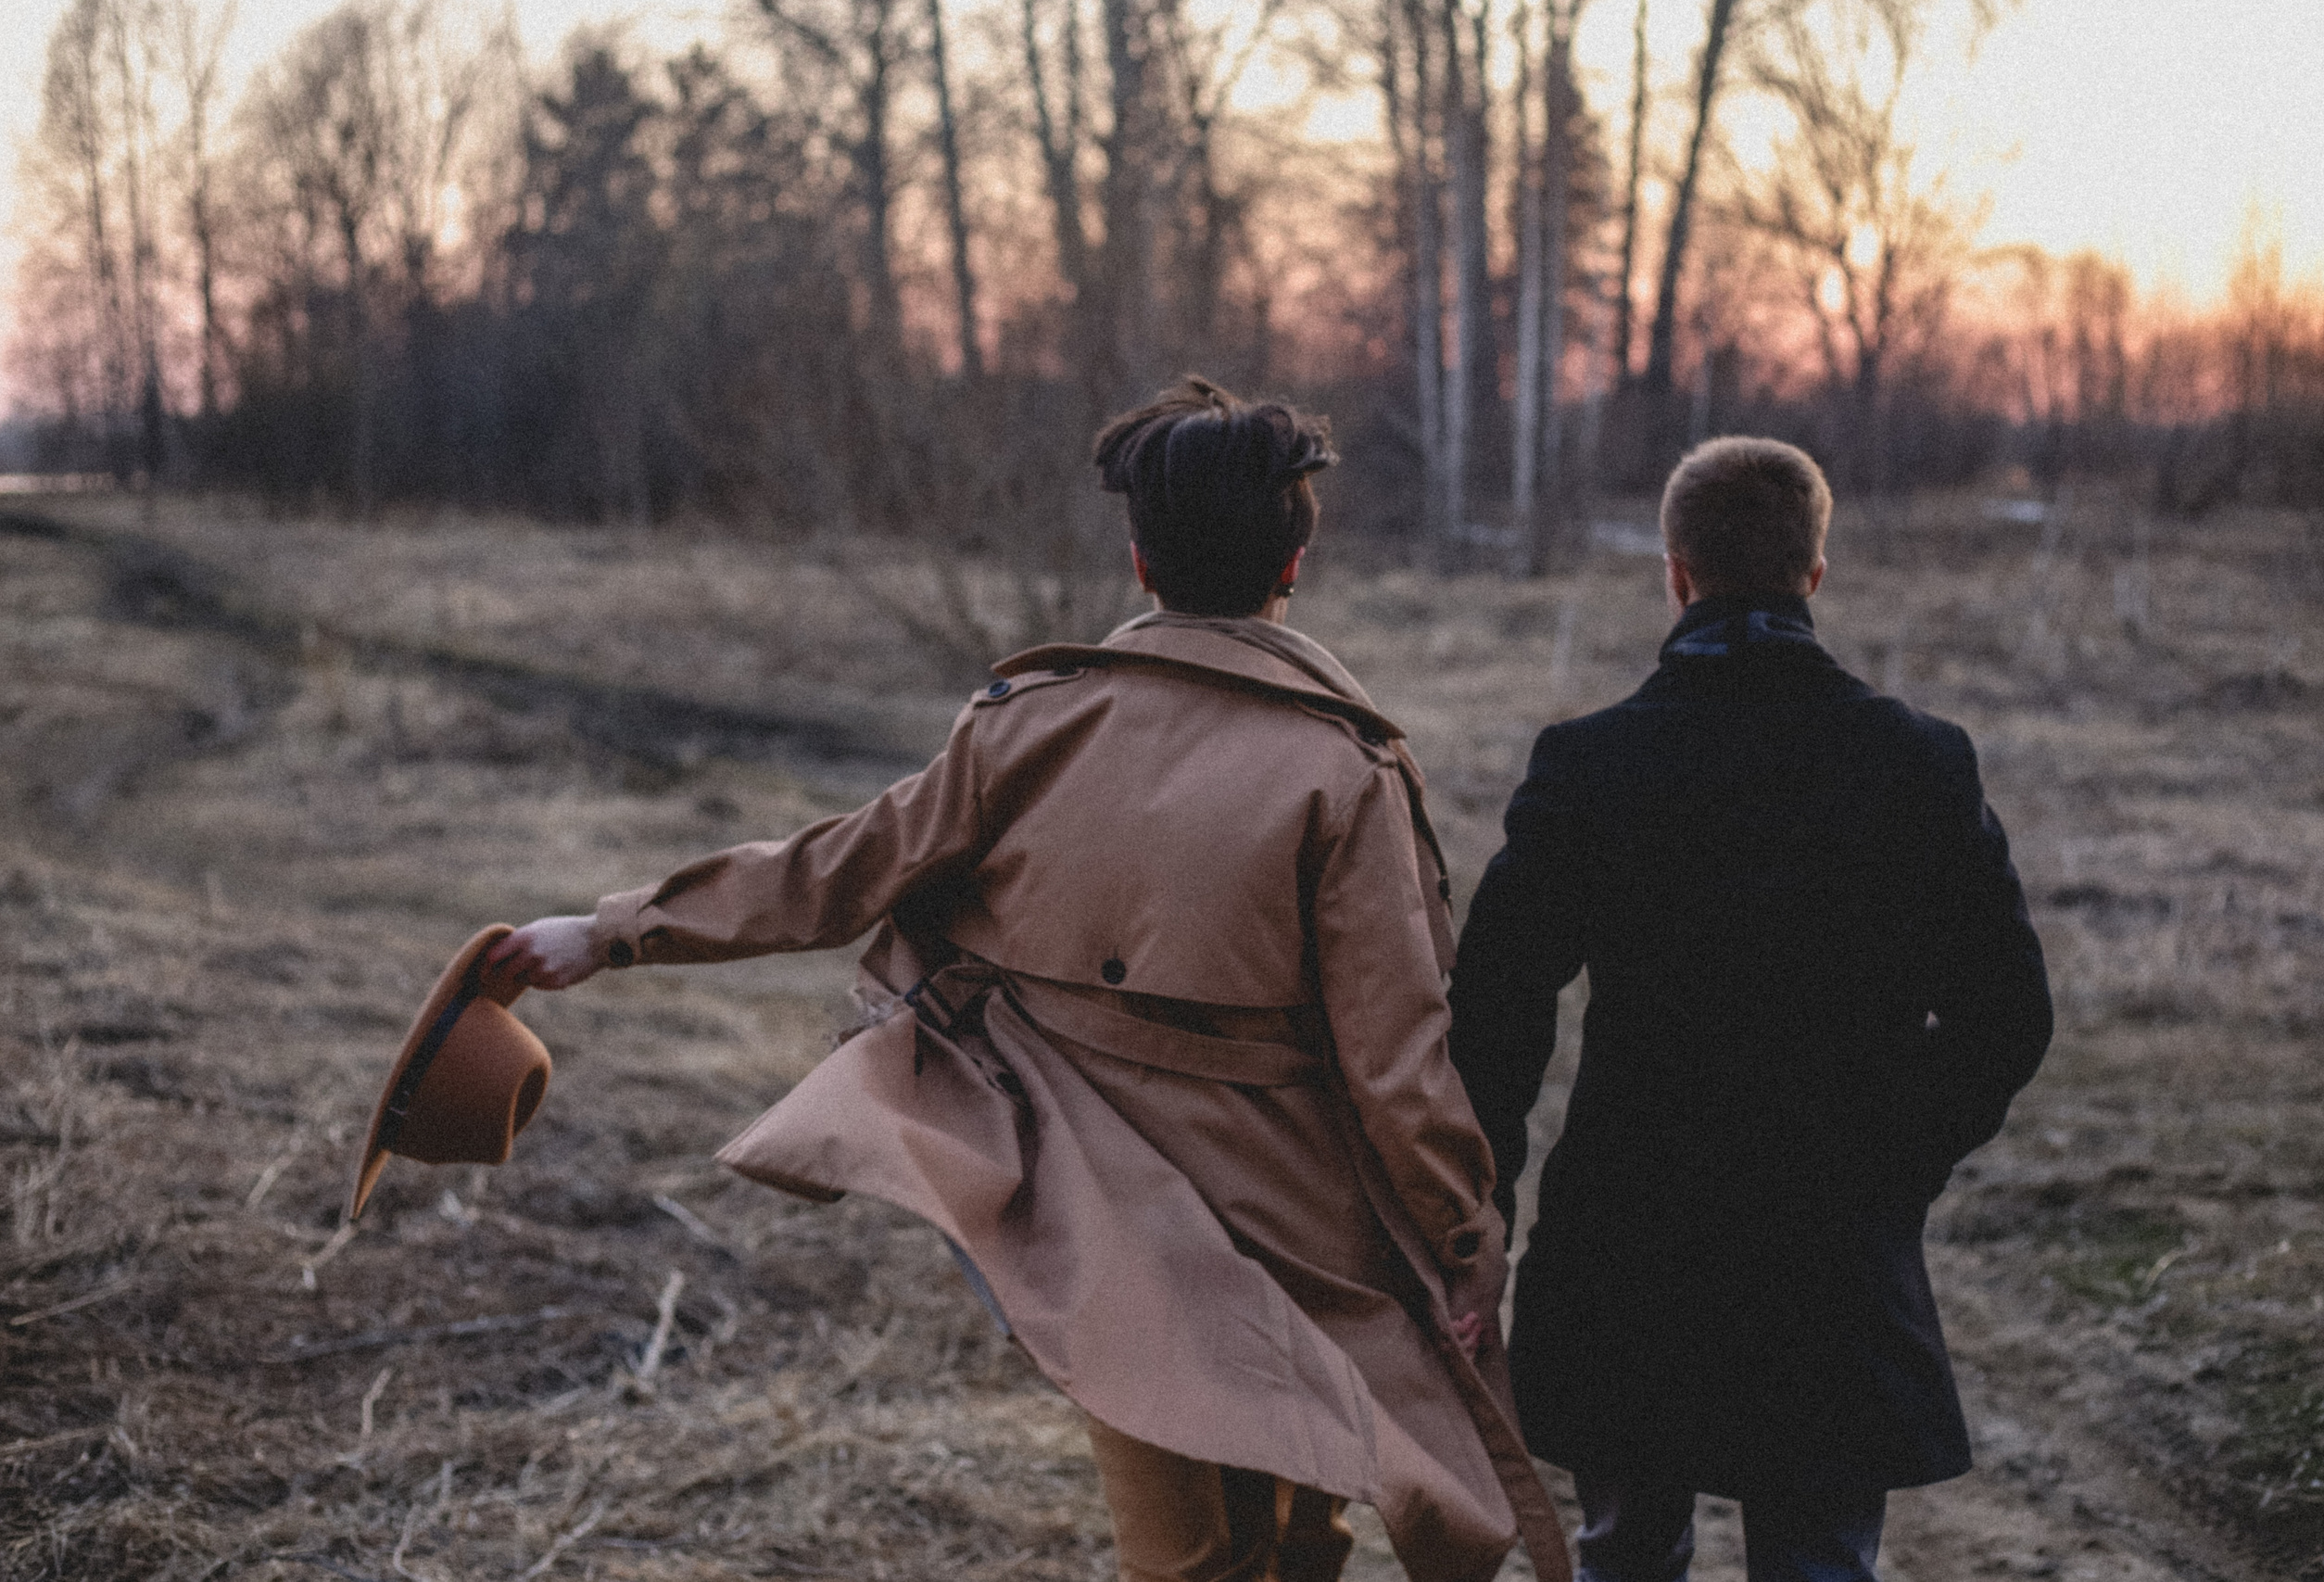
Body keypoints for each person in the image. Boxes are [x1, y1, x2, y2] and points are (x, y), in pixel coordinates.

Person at [488, 377, 1570, 1582]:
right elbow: (1397, 1058)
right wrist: (1463, 1243)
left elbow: (834, 868)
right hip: (1291, 1221)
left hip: (1088, 1201)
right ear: (1295, 563)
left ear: (1138, 558)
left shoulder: (1030, 723)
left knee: (1227, 1543)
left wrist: (612, 929)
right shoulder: (1345, 769)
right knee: (1271, 1530)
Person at [1446, 437, 2053, 1582]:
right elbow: (2007, 1017)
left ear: (1673, 572)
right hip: (1829, 1242)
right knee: (1821, 1560)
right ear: (1814, 574)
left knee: (1623, 1556)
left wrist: (1479, 1207)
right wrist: (1894, 1159)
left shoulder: (1592, 764)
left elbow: (1496, 1004)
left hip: (1630, 1232)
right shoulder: (1916, 764)